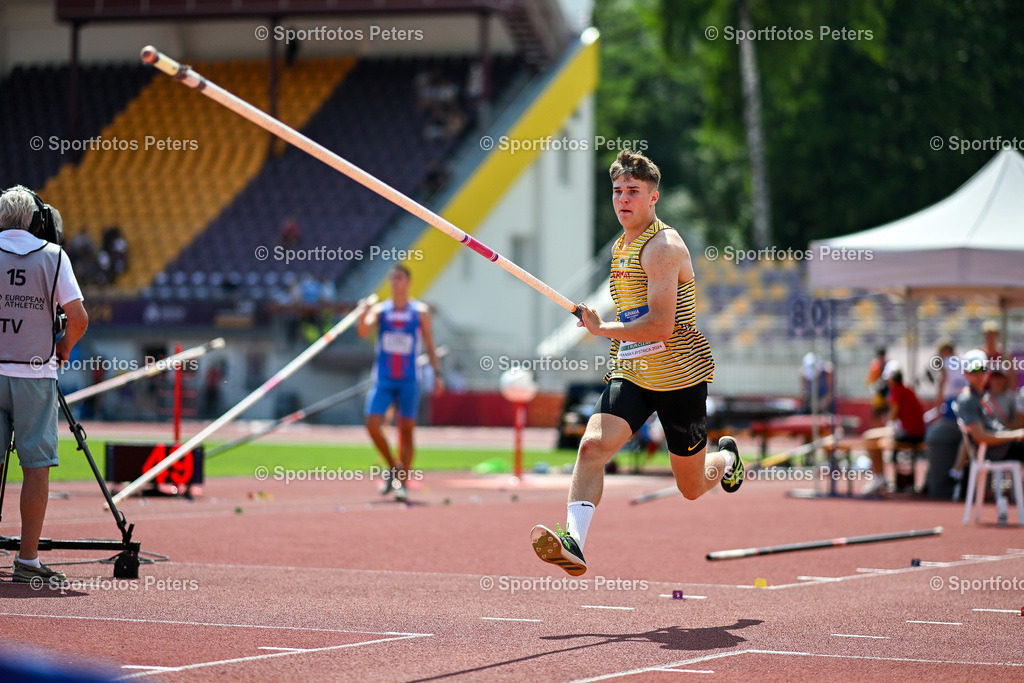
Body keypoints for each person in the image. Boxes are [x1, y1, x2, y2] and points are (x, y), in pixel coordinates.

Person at [530, 150, 743, 576]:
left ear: (653, 197)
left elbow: (661, 326)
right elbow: (632, 315)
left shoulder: (662, 247)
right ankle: (574, 542)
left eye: (633, 191)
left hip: (679, 377)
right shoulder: (621, 245)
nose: (623, 199)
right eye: (617, 191)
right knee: (591, 447)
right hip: (632, 371)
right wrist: (605, 328)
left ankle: (726, 460)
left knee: (691, 486)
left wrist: (601, 329)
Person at [0, 186, 88, 583]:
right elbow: (78, 318)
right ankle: (27, 560)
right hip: (35, 375)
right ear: (37, 221)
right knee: (35, 468)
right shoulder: (54, 256)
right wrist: (63, 349)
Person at [356, 266, 443, 501]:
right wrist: (363, 314)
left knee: (407, 430)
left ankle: (401, 482)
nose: (395, 282)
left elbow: (430, 344)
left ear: (408, 281)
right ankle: (394, 466)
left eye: (399, 278)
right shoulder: (381, 310)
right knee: (372, 423)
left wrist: (437, 373)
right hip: (383, 379)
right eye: (392, 278)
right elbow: (363, 331)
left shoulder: (420, 311)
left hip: (409, 379)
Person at [862, 361, 926, 495]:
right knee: (873, 438)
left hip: (909, 433)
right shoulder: (907, 389)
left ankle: (879, 476)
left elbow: (893, 414)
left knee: (868, 437)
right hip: (917, 432)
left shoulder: (896, 390)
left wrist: (888, 424)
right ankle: (880, 476)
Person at [955, 349, 1024, 463]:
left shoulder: (981, 395)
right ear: (966, 373)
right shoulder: (969, 399)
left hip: (1001, 447)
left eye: (982, 369)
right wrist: (1016, 434)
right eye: (974, 370)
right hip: (996, 451)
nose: (980, 374)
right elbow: (980, 436)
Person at [865, 347, 889, 427]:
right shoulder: (877, 364)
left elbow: (869, 380)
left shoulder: (882, 364)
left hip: (886, 396)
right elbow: (870, 380)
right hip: (880, 396)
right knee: (877, 417)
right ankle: (876, 430)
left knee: (884, 418)